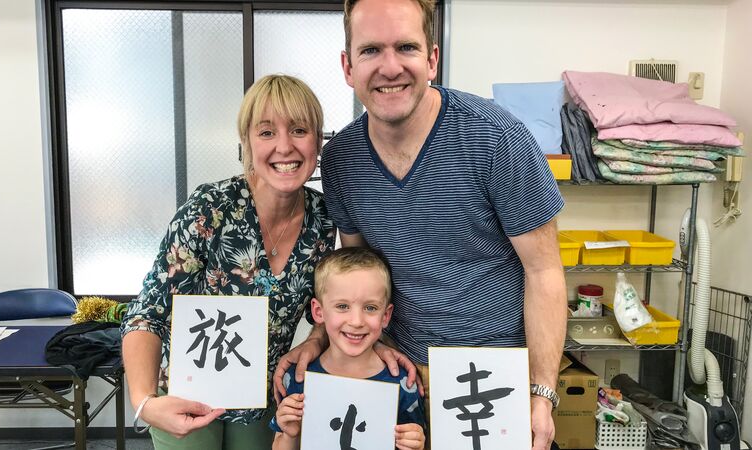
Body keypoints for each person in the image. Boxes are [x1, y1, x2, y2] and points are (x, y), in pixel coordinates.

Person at [275, 1, 568, 449]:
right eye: (371, 50)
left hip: (495, 380)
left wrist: (541, 394)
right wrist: (321, 338)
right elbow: (358, 274)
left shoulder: (496, 137)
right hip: (400, 379)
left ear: (431, 58)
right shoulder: (342, 160)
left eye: (406, 47)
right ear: (347, 66)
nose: (390, 67)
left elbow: (545, 272)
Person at [120, 74, 336, 450]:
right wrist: (143, 402)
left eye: (299, 130)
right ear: (247, 142)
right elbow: (148, 312)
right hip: (188, 396)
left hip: (262, 398)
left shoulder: (322, 220)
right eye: (266, 132)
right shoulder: (212, 209)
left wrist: (315, 340)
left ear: (318, 141)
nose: (284, 147)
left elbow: (324, 308)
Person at [271, 247, 425, 450]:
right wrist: (289, 435)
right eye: (342, 306)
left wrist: (417, 445)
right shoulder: (298, 378)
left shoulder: (404, 383)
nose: (356, 321)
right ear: (318, 311)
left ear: (386, 316)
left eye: (370, 308)